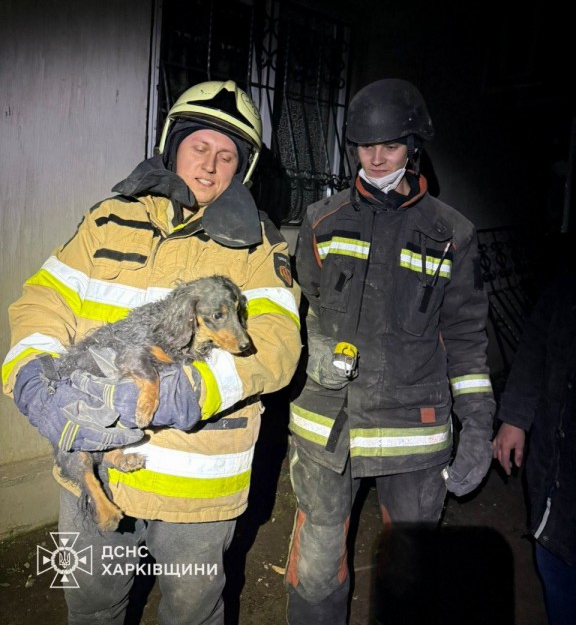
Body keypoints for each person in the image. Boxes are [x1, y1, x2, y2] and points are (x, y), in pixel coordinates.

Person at [2, 79, 302, 625]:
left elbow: (278, 343)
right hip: (97, 469)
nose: (209, 166)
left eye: (227, 156)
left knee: (191, 613)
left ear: (243, 169)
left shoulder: (259, 247)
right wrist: (29, 373)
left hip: (196, 487)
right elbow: (45, 299)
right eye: (199, 147)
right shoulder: (108, 219)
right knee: (91, 608)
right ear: (172, 146)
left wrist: (191, 389)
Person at [284, 78, 496, 623]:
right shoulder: (321, 221)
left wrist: (478, 425)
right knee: (316, 568)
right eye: (365, 146)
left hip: (412, 432)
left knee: (410, 574)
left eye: (391, 146)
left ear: (413, 147)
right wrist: (314, 348)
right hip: (329, 428)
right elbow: (298, 313)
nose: (376, 158)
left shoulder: (451, 234)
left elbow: (467, 338)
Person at [492, 270, 576, 625]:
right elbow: (536, 342)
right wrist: (514, 417)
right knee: (554, 566)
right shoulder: (566, 285)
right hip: (556, 464)